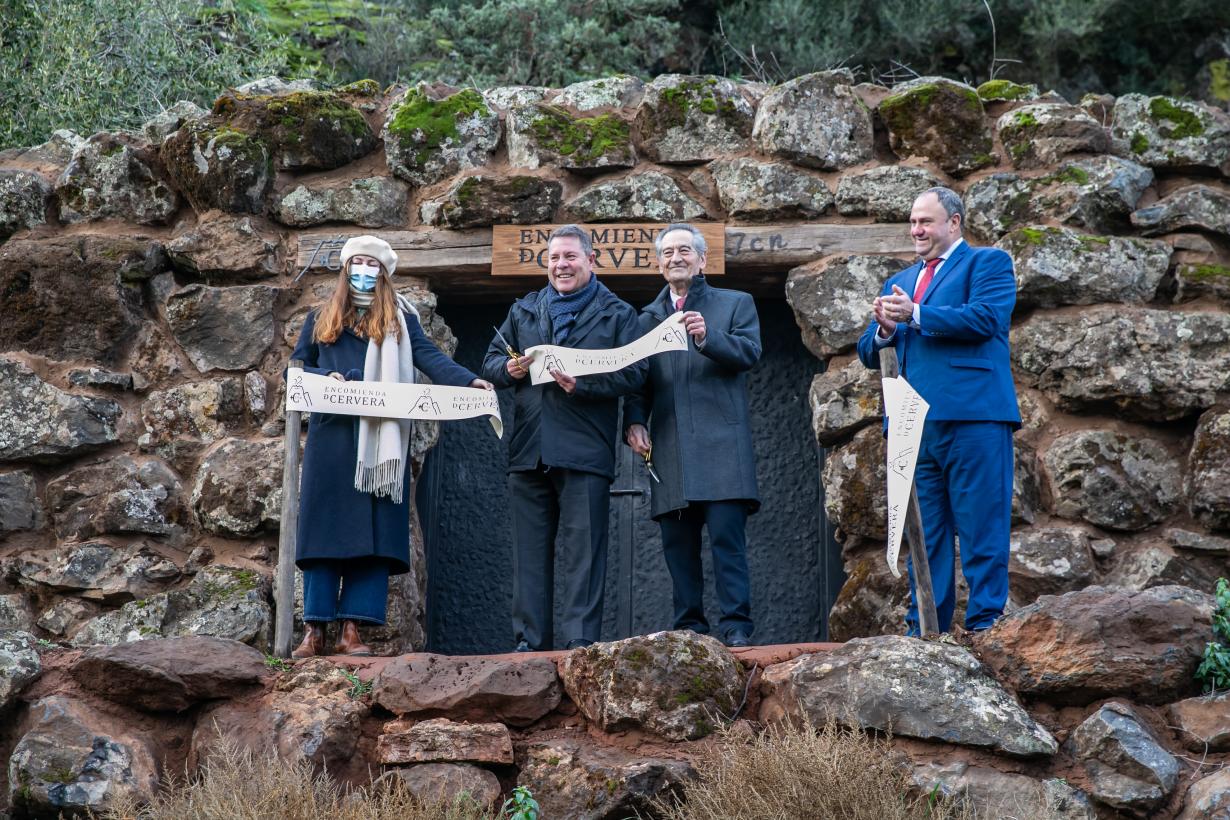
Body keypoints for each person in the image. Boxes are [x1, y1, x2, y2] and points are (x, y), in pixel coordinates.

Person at [290, 235, 491, 658]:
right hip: (334, 439)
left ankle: (353, 630)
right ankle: (315, 628)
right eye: (357, 262)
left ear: (383, 272)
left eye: (372, 263)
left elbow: (430, 358)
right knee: (324, 532)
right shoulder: (320, 318)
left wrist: (468, 380)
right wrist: (322, 380)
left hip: (383, 444)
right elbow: (298, 366)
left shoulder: (401, 322)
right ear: (346, 269)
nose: (364, 269)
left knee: (373, 533)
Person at [856, 187, 1020, 634]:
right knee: (924, 537)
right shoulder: (903, 280)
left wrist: (916, 314)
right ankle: (927, 629)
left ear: (954, 223)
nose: (916, 230)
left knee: (981, 528)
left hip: (975, 418)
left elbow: (986, 317)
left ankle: (988, 627)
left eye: (925, 222)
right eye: (912, 222)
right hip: (913, 426)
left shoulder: (988, 263)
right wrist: (886, 329)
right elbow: (868, 349)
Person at [482, 224, 646, 652]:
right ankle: (528, 642)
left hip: (585, 449)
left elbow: (636, 374)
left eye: (570, 257)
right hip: (528, 450)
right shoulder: (524, 310)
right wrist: (509, 370)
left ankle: (579, 641)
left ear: (591, 261)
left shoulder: (619, 314)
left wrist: (584, 384)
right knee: (529, 556)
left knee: (584, 556)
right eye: (554, 258)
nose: (561, 265)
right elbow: (491, 361)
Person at [624, 223, 761, 648]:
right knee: (677, 548)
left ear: (703, 260)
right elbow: (637, 380)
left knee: (726, 543)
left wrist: (708, 337)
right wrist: (633, 420)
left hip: (723, 445)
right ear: (659, 263)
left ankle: (737, 627)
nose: (675, 258)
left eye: (685, 250)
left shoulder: (735, 303)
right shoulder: (645, 319)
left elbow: (749, 353)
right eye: (667, 253)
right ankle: (690, 628)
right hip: (670, 444)